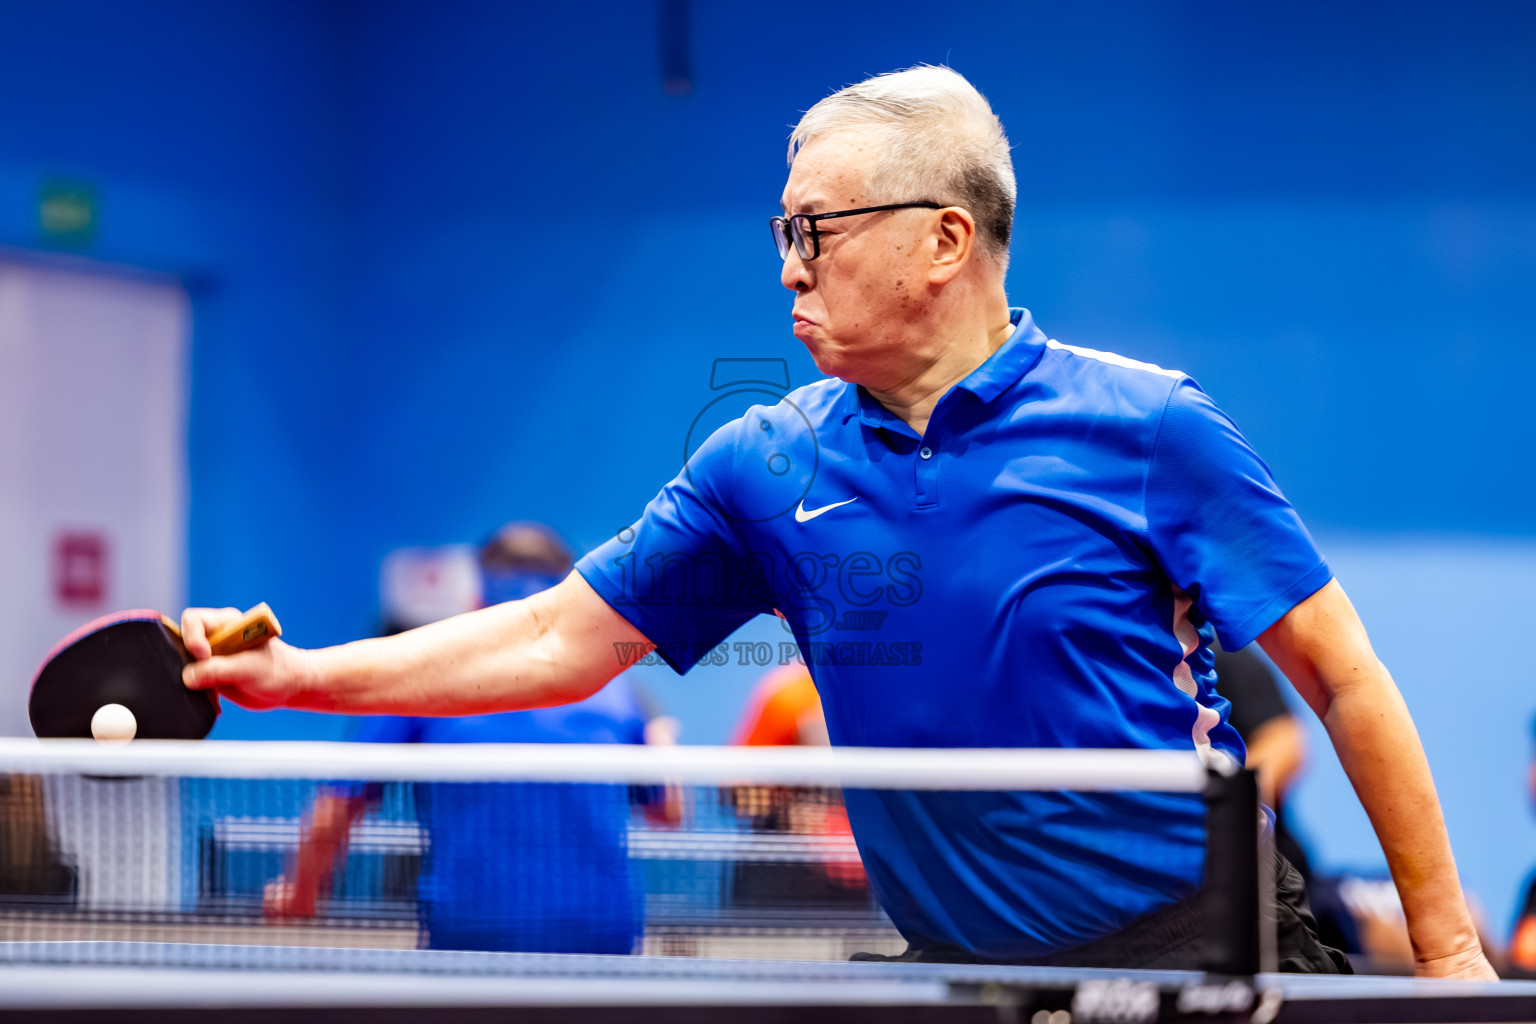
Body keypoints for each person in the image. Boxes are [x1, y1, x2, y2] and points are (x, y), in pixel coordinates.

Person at [180, 66, 1493, 978]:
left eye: (817, 226)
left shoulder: (1150, 429)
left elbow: (1344, 678)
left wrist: (1444, 952)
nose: (790, 261)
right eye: (781, 228)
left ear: (942, 239)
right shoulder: (766, 463)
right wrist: (300, 679)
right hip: (959, 971)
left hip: (1187, 953)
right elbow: (549, 639)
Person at [265, 523, 661, 954]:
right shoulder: (622, 693)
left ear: (476, 597)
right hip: (601, 936)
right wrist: (663, 739)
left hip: (472, 938)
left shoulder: (425, 678)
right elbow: (669, 812)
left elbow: (337, 807)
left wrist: (300, 891)